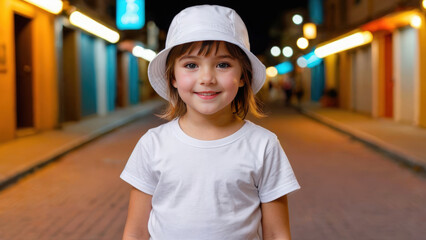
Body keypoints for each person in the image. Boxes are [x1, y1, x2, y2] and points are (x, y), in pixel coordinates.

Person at [120, 5, 300, 240]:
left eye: (223, 64)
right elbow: (135, 232)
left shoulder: (263, 145)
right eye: (191, 65)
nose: (206, 78)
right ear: (173, 77)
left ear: (243, 76)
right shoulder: (152, 144)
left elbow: (277, 233)